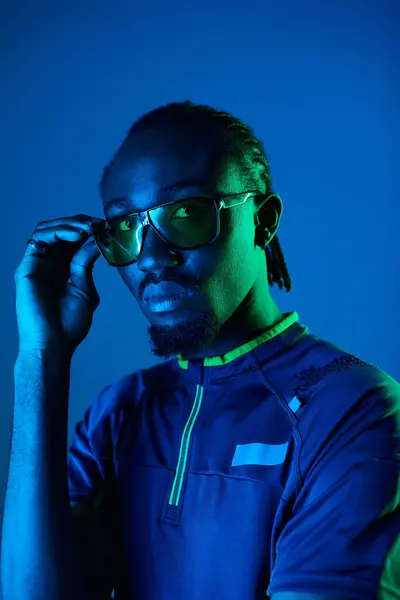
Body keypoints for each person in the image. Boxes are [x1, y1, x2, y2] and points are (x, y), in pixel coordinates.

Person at [2, 101, 399, 600]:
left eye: (186, 213)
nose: (150, 255)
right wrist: (41, 358)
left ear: (264, 219)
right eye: (125, 227)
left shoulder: (356, 410)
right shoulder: (119, 411)